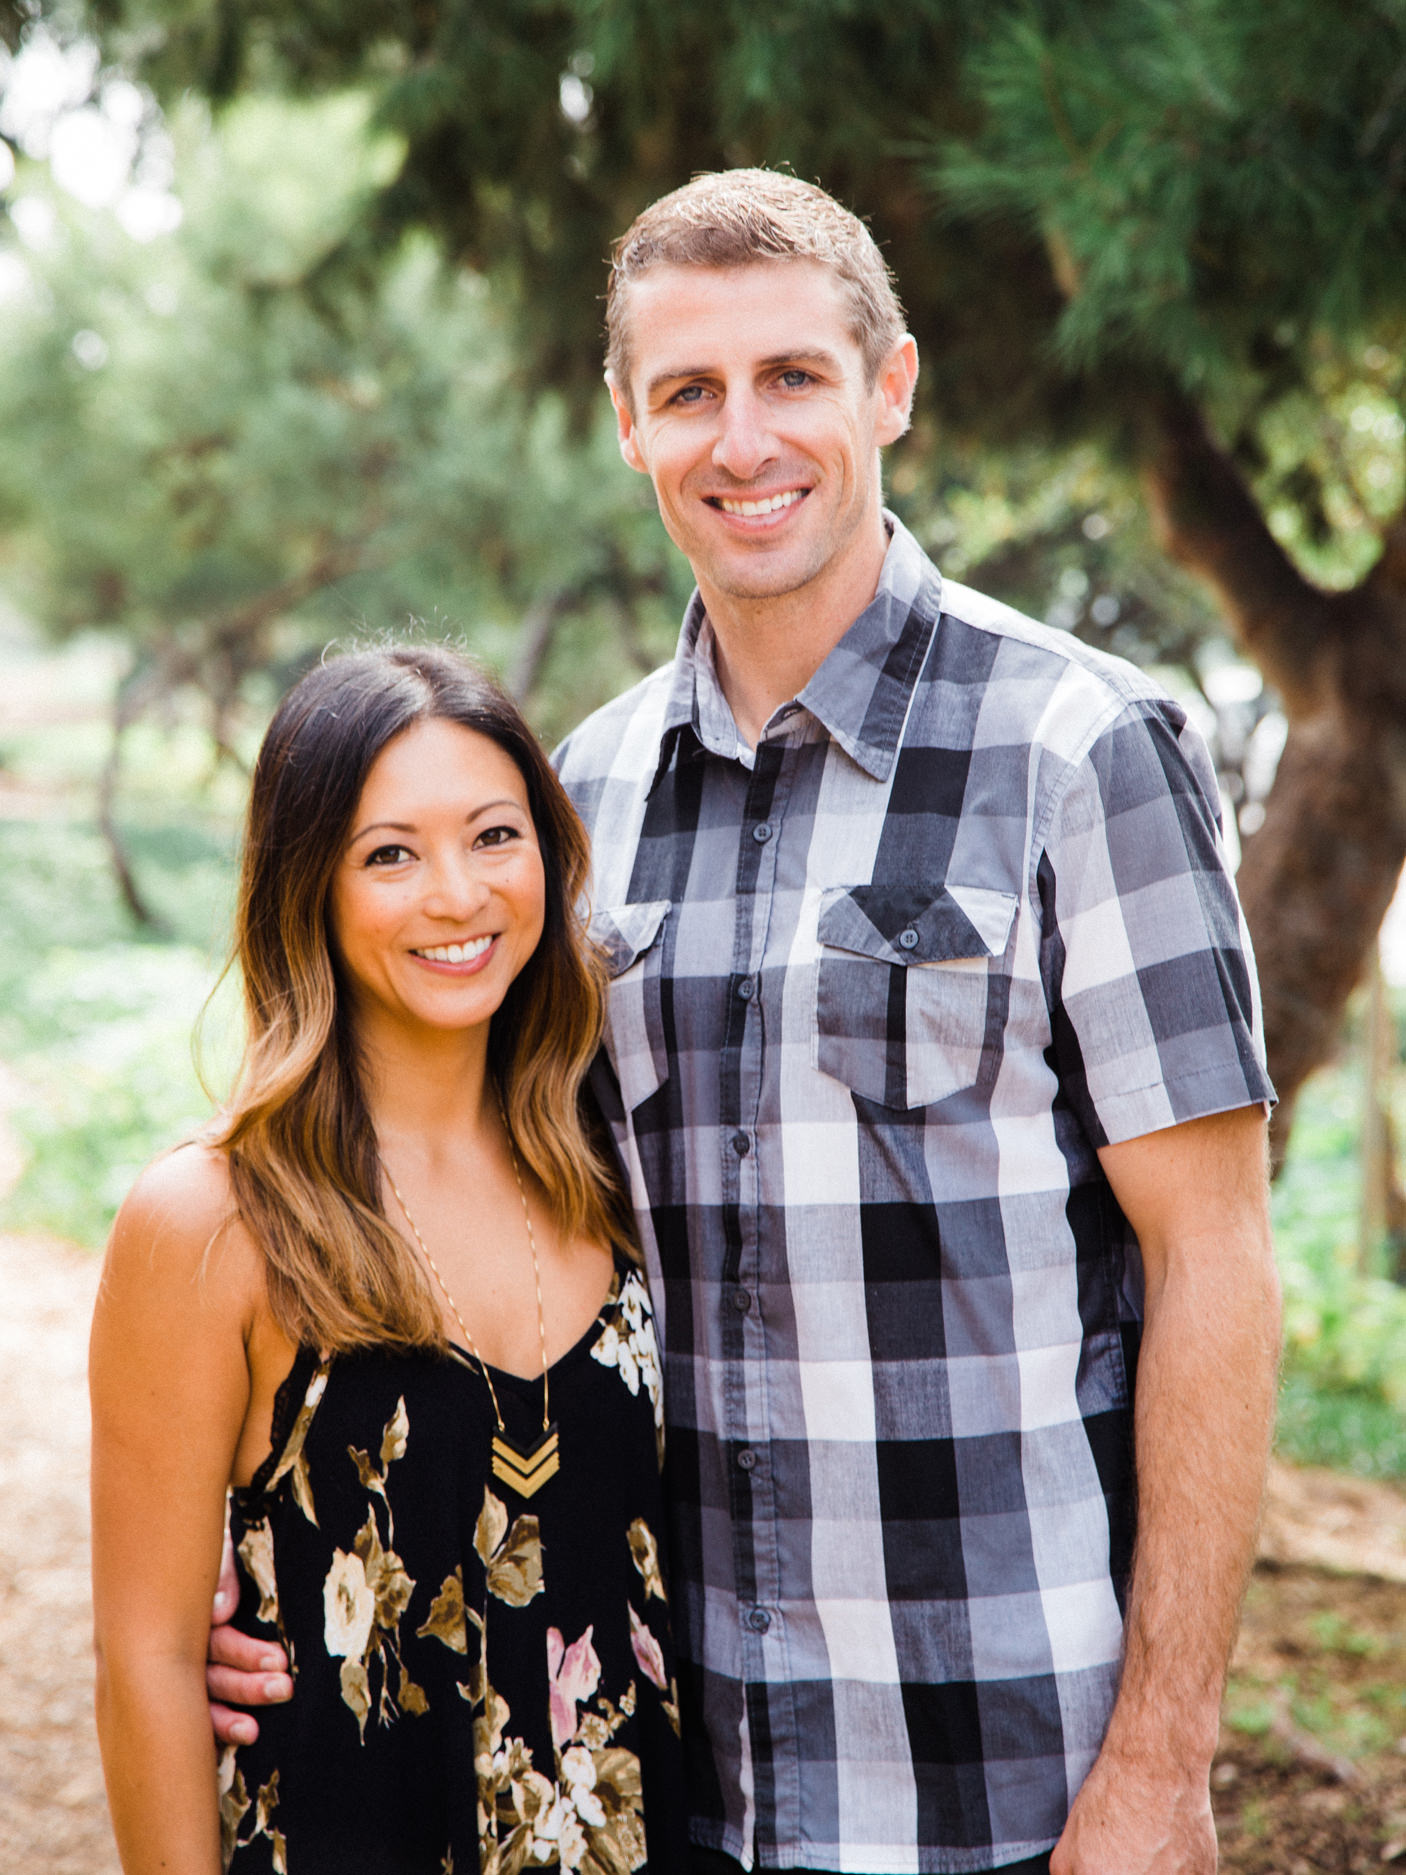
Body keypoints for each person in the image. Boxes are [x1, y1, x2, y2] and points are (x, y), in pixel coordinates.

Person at [209, 172, 1282, 1875]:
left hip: (1010, 1772)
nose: (743, 437)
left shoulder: (1084, 750)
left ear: (892, 389)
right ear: (629, 427)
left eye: (792, 376)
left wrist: (1163, 1761)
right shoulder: (578, 803)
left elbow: (1215, 1264)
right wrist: (273, 1556)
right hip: (662, 1776)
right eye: (689, 392)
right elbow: (460, 1218)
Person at [91, 645, 688, 1873]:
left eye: (493, 836)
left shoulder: (607, 1166)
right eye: (389, 855)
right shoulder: (214, 1220)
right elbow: (146, 1660)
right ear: (306, 886)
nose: (457, 896)